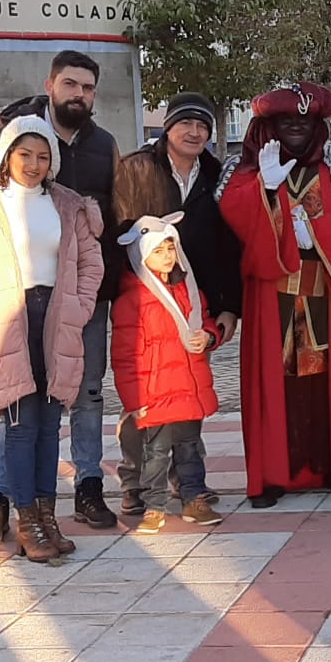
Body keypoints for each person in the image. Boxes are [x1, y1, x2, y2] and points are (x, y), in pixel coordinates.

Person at [0, 117, 105, 561]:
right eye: (24, 154)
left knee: (50, 425)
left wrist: (77, 306)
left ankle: (47, 517)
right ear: (5, 155)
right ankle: (26, 520)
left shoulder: (68, 204)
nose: (34, 164)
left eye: (42, 155)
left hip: (56, 318)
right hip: (6, 321)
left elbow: (91, 263)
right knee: (20, 426)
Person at [217, 82, 331, 508]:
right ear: (268, 125)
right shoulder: (247, 168)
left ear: (318, 126)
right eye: (285, 120)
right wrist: (266, 192)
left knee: (326, 381)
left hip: (325, 286)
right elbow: (233, 214)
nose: (295, 127)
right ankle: (273, 474)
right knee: (278, 381)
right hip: (273, 291)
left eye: (304, 121)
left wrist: (316, 231)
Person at [0, 50, 125, 529]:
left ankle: (88, 486)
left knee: (87, 392)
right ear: (51, 85)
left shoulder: (104, 144)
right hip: (24, 294)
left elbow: (116, 212)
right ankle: (1, 495)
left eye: (88, 88)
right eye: (71, 85)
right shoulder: (19, 133)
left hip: (86, 296)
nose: (80, 95)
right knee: (19, 395)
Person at [110, 92, 239, 516]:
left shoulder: (217, 174)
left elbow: (228, 245)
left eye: (203, 125)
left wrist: (227, 306)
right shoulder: (135, 169)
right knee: (146, 399)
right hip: (144, 297)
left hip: (194, 299)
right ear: (167, 127)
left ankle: (189, 483)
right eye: (186, 123)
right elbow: (119, 232)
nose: (195, 131)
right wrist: (127, 289)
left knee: (185, 391)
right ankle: (136, 483)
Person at [112, 213, 226, 531]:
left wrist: (208, 336)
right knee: (156, 452)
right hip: (156, 392)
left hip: (188, 387)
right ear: (140, 255)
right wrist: (134, 400)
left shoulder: (188, 291)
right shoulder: (131, 301)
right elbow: (125, 357)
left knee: (189, 449)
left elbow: (203, 321)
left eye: (170, 249)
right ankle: (154, 504)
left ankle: (193, 498)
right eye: (158, 251)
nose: (167, 257)